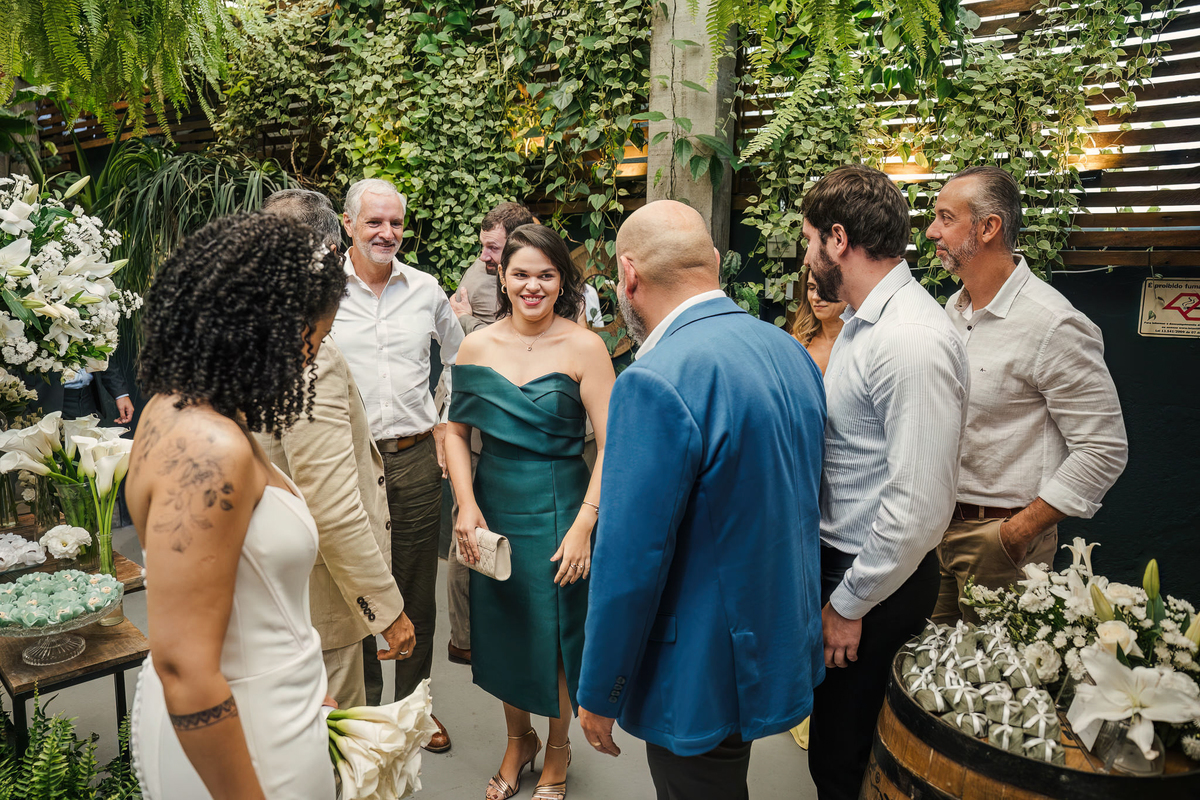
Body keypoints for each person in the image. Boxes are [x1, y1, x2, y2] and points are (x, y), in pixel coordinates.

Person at [577, 200, 827, 800]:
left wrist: (599, 690)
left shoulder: (655, 379)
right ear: (714, 261)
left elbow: (630, 559)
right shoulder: (787, 349)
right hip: (777, 634)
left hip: (701, 664)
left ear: (628, 277)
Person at [128, 212, 346, 799]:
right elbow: (184, 667)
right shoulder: (208, 448)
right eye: (311, 340)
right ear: (265, 328)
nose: (308, 361)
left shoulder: (179, 407)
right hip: (242, 738)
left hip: (269, 704)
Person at [802, 165, 969, 800]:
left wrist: (849, 604)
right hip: (854, 572)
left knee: (848, 764)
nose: (809, 255)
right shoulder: (866, 323)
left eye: (811, 238)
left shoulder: (908, 339)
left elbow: (920, 505)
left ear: (838, 239)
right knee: (834, 755)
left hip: (875, 584)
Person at [446, 224, 614, 800]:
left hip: (562, 506)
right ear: (502, 275)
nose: (533, 286)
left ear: (562, 279)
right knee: (504, 632)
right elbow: (455, 429)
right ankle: (519, 742)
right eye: (521, 273)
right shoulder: (477, 345)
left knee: (559, 636)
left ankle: (558, 750)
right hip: (493, 508)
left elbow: (615, 447)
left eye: (546, 274)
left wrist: (585, 525)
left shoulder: (585, 347)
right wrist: (466, 506)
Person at [926, 166, 1128, 624]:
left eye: (945, 217)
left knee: (995, 684)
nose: (932, 231)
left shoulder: (1053, 323)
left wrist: (1015, 533)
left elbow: (1104, 448)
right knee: (926, 677)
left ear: (989, 227)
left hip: (1001, 541)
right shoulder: (952, 311)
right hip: (933, 529)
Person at [254, 188, 415, 708]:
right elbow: (330, 507)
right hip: (314, 604)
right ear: (328, 253)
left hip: (262, 590)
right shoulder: (307, 357)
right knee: (333, 759)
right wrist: (387, 610)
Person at [331, 177, 460, 752]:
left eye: (396, 223)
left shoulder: (426, 288)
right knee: (354, 583)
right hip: (346, 462)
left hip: (413, 459)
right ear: (348, 223)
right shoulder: (321, 291)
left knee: (414, 589)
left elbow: (461, 358)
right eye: (375, 222)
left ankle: (415, 710)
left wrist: (441, 419)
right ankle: (363, 713)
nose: (387, 233)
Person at [444, 200, 537, 668]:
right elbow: (464, 348)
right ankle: (463, 638)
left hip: (535, 443)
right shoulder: (476, 271)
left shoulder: (545, 276)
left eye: (493, 249)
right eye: (483, 247)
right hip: (480, 434)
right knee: (468, 534)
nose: (484, 257)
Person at [790, 265, 847, 374]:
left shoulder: (864, 342)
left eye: (827, 287)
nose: (816, 297)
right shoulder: (797, 344)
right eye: (811, 288)